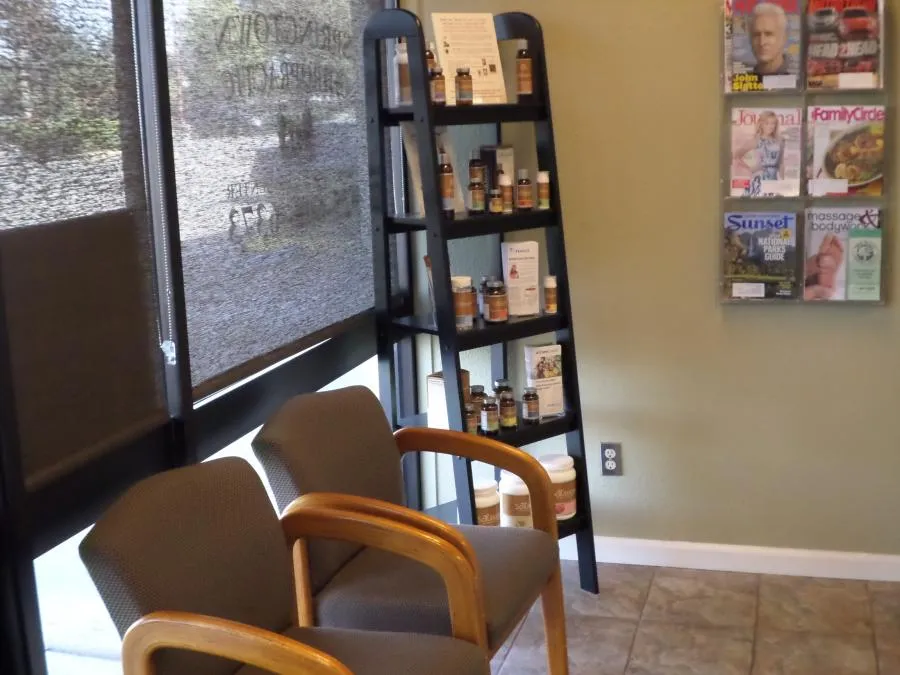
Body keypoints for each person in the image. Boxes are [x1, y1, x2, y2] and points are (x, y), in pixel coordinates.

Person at [732, 110, 784, 185]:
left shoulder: (779, 141)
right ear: (761, 124)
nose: (771, 126)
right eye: (767, 123)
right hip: (759, 177)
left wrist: (783, 182)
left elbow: (781, 163)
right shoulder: (755, 141)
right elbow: (736, 155)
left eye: (773, 123)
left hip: (775, 177)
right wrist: (752, 168)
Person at [750, 2, 790, 76]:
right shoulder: (743, 81)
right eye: (756, 35)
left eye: (768, 34)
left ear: (783, 38)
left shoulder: (797, 78)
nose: (762, 42)